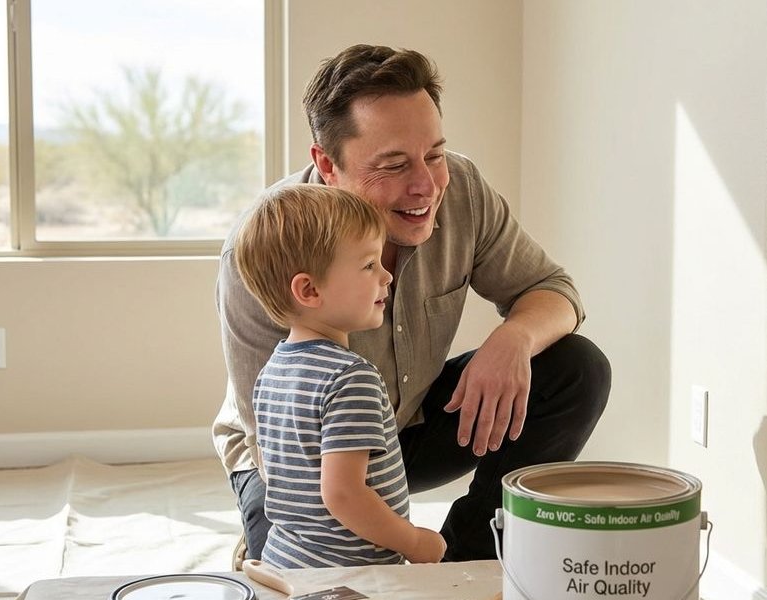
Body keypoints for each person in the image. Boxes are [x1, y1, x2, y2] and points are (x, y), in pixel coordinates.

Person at [214, 44, 611, 562]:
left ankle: (467, 554)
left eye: (435, 154)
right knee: (313, 578)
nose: (426, 184)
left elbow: (556, 292)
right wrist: (383, 534)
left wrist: (513, 338)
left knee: (576, 367)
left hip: (407, 422)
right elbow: (277, 446)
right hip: (296, 458)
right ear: (327, 164)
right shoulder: (265, 248)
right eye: (394, 165)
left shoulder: (461, 189)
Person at [231, 183, 445, 568]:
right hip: (350, 575)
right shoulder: (350, 377)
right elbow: (344, 495)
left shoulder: (271, 374)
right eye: (368, 265)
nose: (387, 276)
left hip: (286, 559)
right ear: (309, 290)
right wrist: (413, 541)